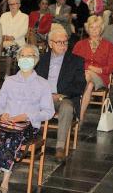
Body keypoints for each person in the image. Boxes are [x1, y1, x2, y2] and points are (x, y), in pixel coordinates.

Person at [0, 44, 55, 193]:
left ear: (36, 60)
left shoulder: (43, 84)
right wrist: (2, 114)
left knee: (11, 139)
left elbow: (49, 112)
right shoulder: (9, 81)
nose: (26, 59)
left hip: (27, 126)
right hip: (6, 123)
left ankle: (4, 181)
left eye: (30, 56)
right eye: (23, 56)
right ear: (18, 59)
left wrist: (27, 116)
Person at [35, 25, 85, 160]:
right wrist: (46, 95)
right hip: (44, 97)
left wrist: (61, 95)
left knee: (68, 108)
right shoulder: (42, 59)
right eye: (59, 42)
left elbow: (80, 85)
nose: (63, 45)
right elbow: (34, 80)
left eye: (65, 42)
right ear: (51, 43)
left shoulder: (76, 61)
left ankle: (60, 147)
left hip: (64, 98)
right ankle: (28, 139)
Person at [73, 15, 113, 121]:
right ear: (88, 29)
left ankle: (74, 100)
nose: (94, 30)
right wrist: (89, 67)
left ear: (101, 28)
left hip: (101, 77)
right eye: (92, 27)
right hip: (83, 75)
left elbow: (112, 66)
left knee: (87, 75)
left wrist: (99, 70)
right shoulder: (80, 44)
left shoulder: (109, 46)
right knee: (89, 85)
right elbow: (73, 62)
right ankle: (80, 117)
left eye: (97, 27)